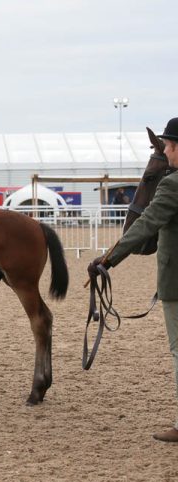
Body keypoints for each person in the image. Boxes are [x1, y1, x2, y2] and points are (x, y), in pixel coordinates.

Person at [88, 117, 178, 443]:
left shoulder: (171, 185)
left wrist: (108, 258)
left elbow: (145, 226)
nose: (167, 152)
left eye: (168, 146)